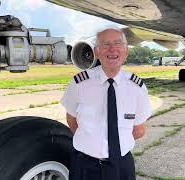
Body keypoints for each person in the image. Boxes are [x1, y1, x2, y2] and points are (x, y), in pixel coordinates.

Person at [61, 27, 152, 180]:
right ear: (96, 52)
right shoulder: (80, 83)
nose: (112, 49)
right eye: (105, 44)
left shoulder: (137, 87)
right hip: (84, 166)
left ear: (126, 51)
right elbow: (71, 120)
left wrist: (114, 146)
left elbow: (139, 129)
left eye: (118, 43)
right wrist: (92, 144)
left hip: (121, 165)